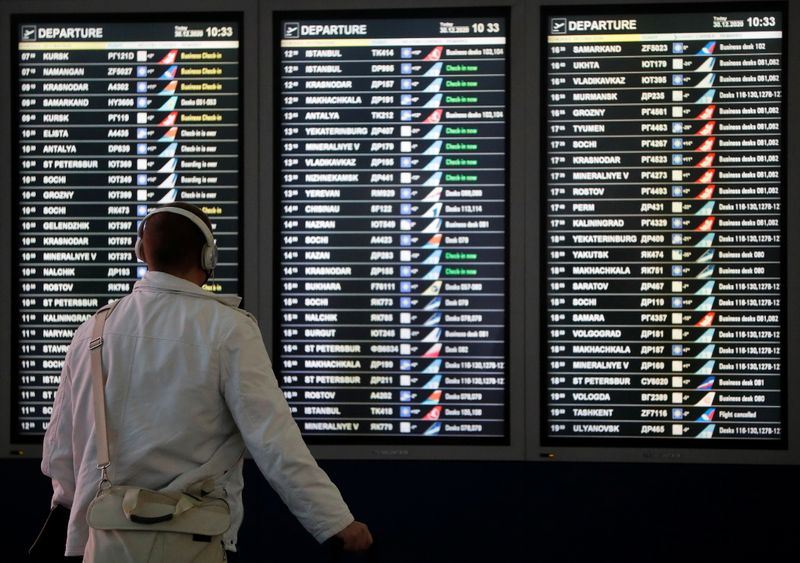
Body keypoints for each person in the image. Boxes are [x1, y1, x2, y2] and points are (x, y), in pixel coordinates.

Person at [41, 202, 372, 560]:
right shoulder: (229, 329)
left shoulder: (94, 329)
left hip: (102, 540)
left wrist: (73, 528)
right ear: (207, 257)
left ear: (141, 252)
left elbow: (60, 450)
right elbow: (275, 442)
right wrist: (336, 522)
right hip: (190, 538)